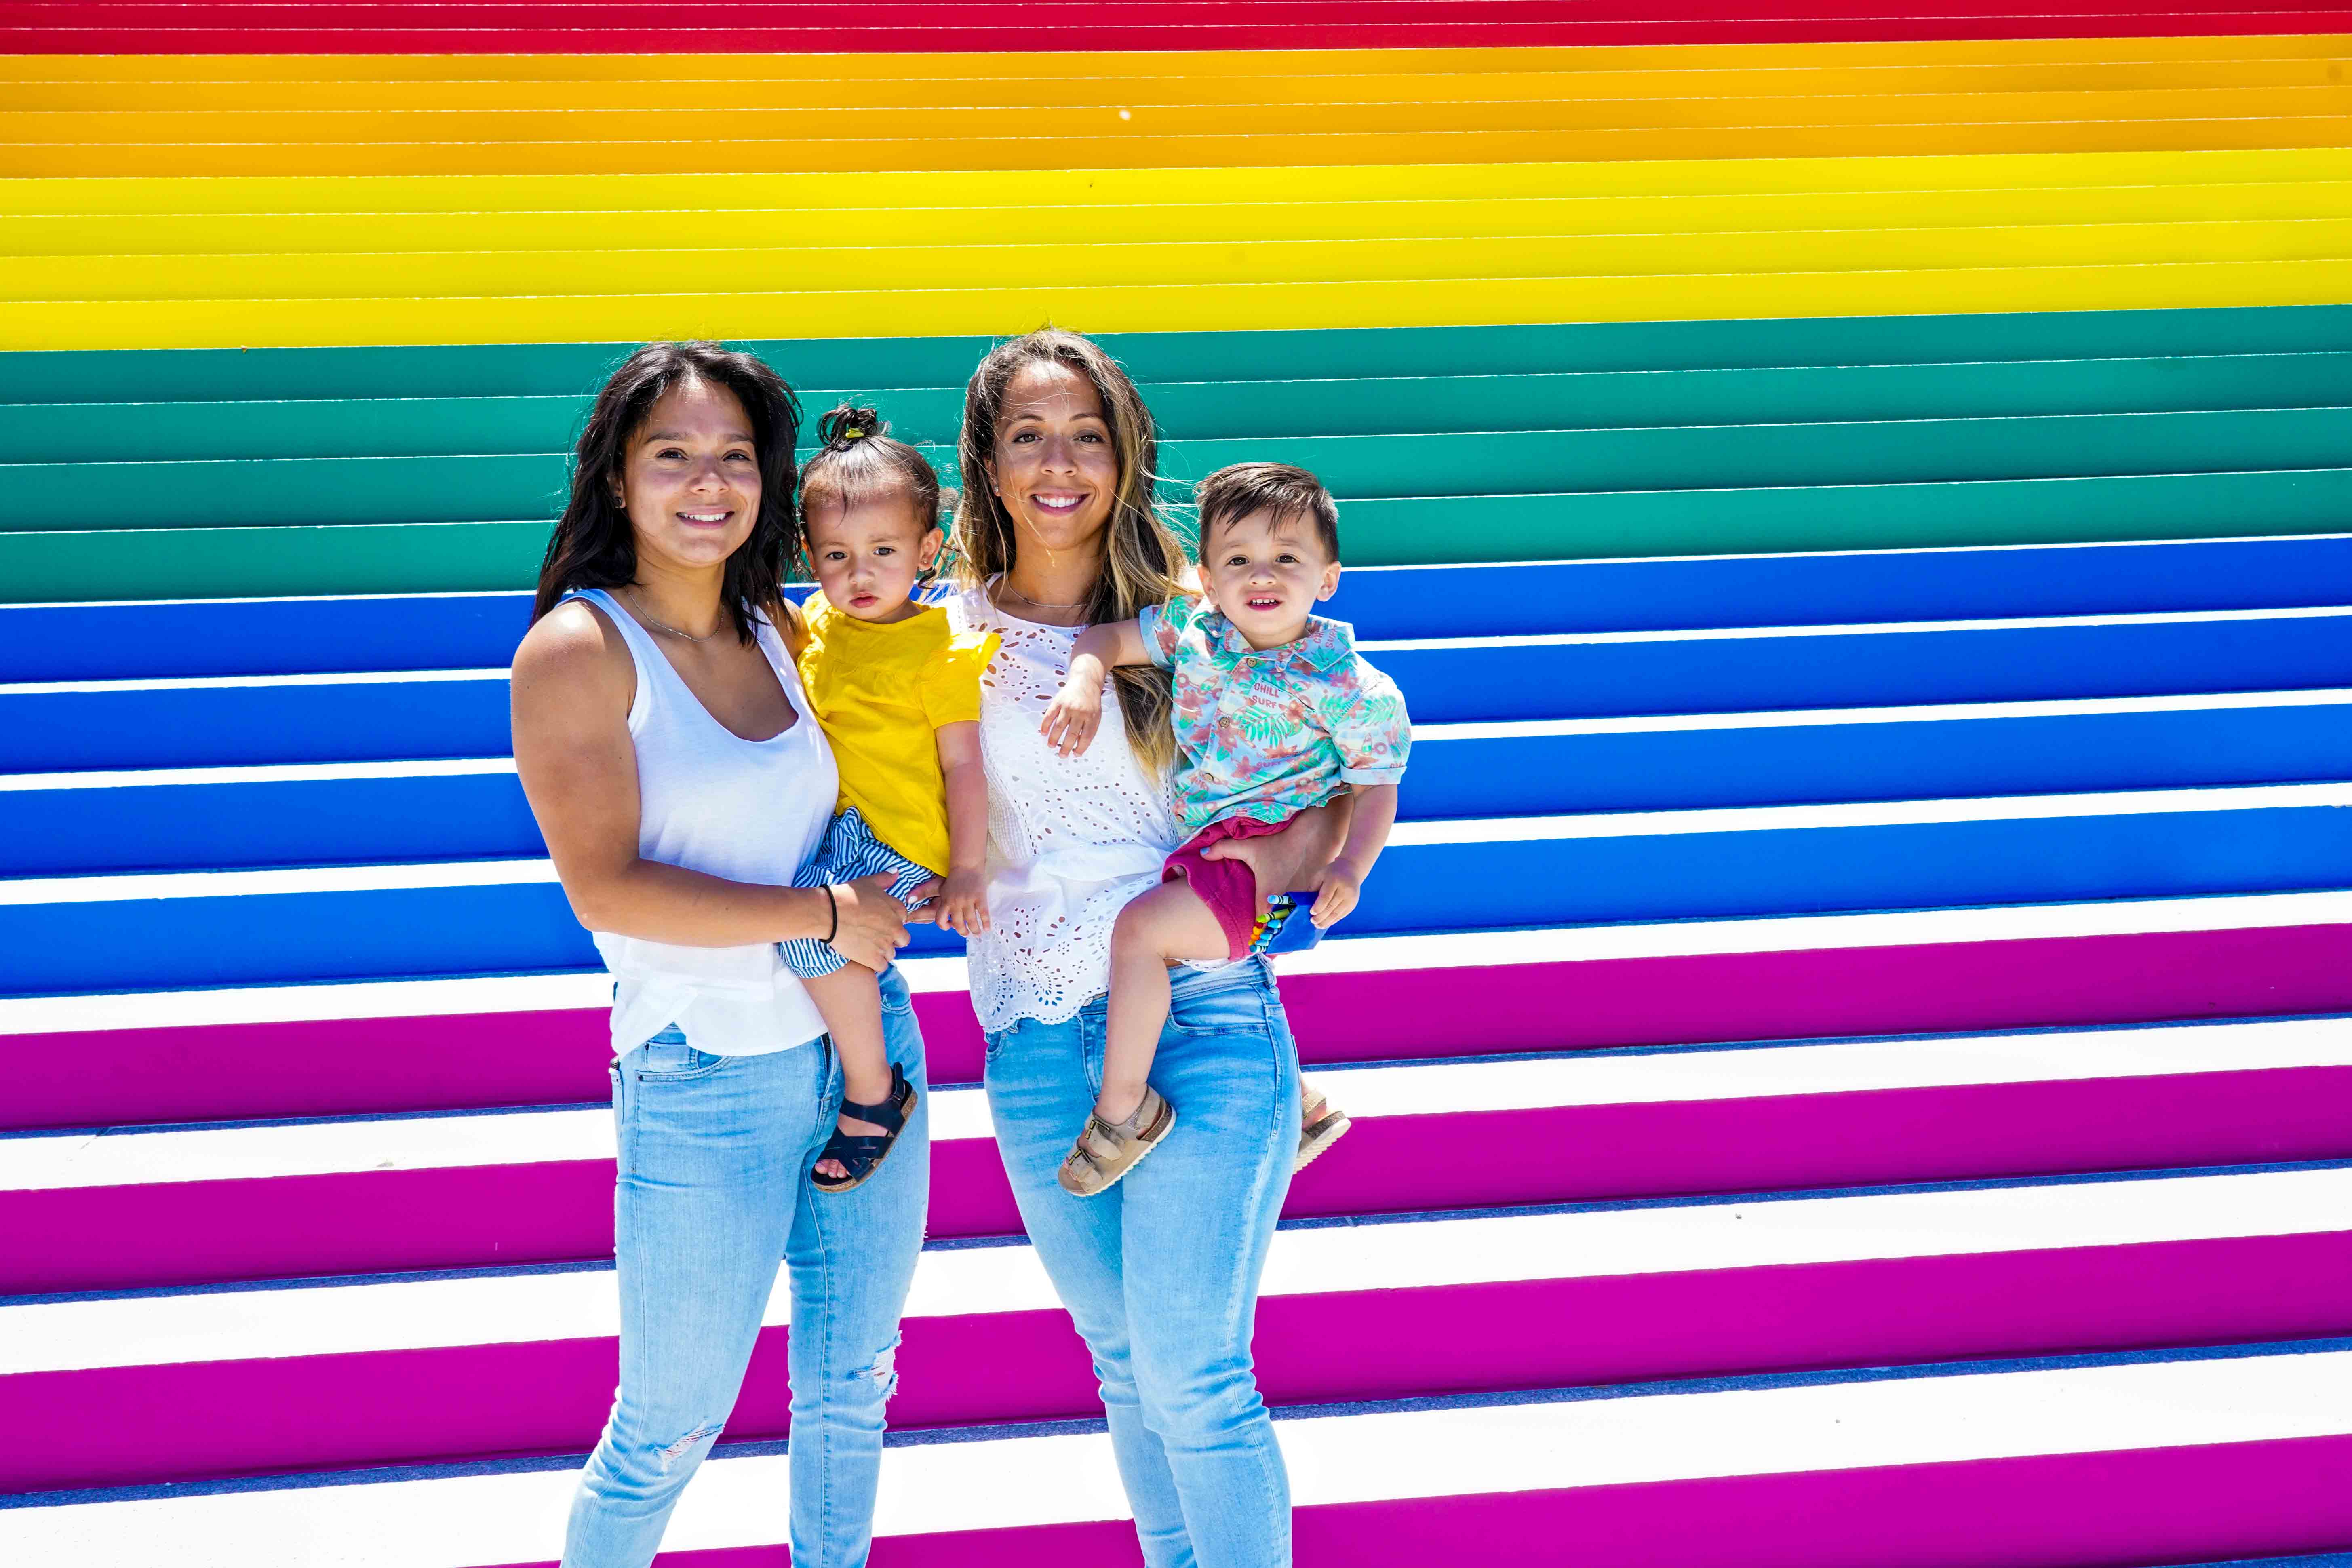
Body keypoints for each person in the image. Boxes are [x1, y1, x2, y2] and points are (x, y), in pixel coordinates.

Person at [509, 342, 930, 1568]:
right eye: (673, 457)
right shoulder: (577, 652)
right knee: (669, 1424)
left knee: (854, 1387)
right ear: (616, 478)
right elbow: (608, 891)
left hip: (861, 1048)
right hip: (704, 1074)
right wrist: (821, 920)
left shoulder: (780, 626)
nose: (709, 484)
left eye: (736, 459)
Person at [946, 327, 1353, 1568]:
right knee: (1124, 1366)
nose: (1058, 462)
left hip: (1204, 1014)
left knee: (1190, 1373)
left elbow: (1335, 781)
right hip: (1029, 1035)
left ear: (1127, 457)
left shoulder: (1204, 612)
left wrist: (1278, 876)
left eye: (1088, 434)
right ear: (986, 459)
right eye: (1027, 434)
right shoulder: (937, 631)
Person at [1038, 461, 1408, 1195]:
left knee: (1142, 934)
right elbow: (1104, 641)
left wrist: (1349, 870)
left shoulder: (1350, 686)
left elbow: (1376, 787)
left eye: (1287, 559)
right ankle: (1299, 1108)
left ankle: (1124, 1112)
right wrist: (1083, 682)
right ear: (1207, 578)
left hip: (1263, 856)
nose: (1261, 575)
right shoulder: (1193, 633)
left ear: (1327, 579)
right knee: (1171, 959)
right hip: (1209, 844)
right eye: (1238, 560)